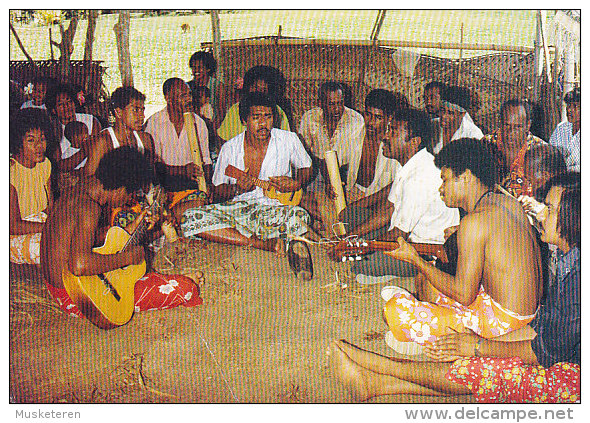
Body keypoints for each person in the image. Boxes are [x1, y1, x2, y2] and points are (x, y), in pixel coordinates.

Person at [328, 172, 579, 403]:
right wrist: (477, 345)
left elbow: (545, 352)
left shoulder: (578, 281)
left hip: (575, 379)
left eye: (551, 209)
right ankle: (375, 384)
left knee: (479, 368)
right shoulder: (568, 257)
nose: (542, 213)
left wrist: (479, 347)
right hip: (542, 342)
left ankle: (381, 365)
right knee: (476, 358)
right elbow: (539, 330)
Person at [381, 138, 542, 354]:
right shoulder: (508, 202)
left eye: (445, 180)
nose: (441, 188)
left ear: (465, 177)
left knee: (393, 311)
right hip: (530, 315)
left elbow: (464, 295)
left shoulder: (474, 222)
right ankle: (432, 332)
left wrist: (415, 259)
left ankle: (435, 341)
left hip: (505, 326)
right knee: (425, 283)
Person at [40, 147, 203, 324]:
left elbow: (86, 244)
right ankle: (176, 282)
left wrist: (138, 225)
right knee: (187, 288)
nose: (130, 200)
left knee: (133, 273)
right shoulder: (89, 208)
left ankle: (161, 280)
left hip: (59, 286)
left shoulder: (81, 189)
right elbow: (79, 265)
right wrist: (128, 258)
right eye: (130, 193)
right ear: (119, 188)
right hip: (77, 297)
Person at [180, 92, 313, 257]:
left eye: (268, 117)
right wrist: (237, 190)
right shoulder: (230, 148)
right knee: (190, 217)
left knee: (300, 216)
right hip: (238, 210)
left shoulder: (289, 139)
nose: (263, 123)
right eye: (256, 117)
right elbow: (218, 193)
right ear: (244, 120)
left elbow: (306, 167)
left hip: (273, 210)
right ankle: (259, 242)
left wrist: (297, 183)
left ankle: (235, 236)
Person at [342, 108, 460, 286]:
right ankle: (379, 257)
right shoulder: (408, 164)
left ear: (414, 142)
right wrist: (349, 238)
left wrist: (361, 247)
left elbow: (399, 234)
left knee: (361, 266)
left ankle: (407, 269)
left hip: (423, 249)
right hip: (400, 234)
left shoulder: (420, 177)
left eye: (393, 132)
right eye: (389, 130)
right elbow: (388, 209)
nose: (385, 137)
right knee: (348, 215)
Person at [337, 89, 405, 240]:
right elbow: (332, 159)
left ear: (389, 118)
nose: (370, 122)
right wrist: (331, 182)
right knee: (317, 201)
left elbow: (395, 188)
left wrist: (360, 205)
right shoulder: (353, 133)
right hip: (353, 194)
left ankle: (355, 233)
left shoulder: (396, 144)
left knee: (358, 219)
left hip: (380, 204)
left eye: (378, 117)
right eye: (368, 115)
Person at [144, 78, 212, 221]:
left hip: (191, 186)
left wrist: (207, 186)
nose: (188, 100)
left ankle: (170, 218)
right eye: (183, 96)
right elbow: (155, 167)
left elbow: (206, 161)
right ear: (168, 99)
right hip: (165, 185)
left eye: (189, 95)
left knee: (202, 201)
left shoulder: (199, 124)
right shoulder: (155, 123)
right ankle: (172, 217)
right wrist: (183, 171)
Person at [10, 108, 54, 265]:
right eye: (30, 140)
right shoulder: (10, 172)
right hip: (16, 236)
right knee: (53, 246)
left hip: (42, 224)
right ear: (17, 142)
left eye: (42, 139)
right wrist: (50, 228)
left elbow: (50, 208)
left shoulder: (45, 164)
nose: (39, 145)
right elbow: (12, 226)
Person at [84, 86, 156, 176]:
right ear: (118, 112)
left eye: (142, 110)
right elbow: (88, 179)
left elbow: (151, 173)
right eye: (135, 110)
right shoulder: (103, 142)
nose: (142, 116)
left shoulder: (145, 139)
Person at [484, 99, 547, 197]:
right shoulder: (485, 145)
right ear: (500, 122)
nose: (511, 132)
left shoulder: (541, 152)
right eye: (506, 125)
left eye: (517, 127)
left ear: (528, 125)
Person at [217, 65, 292, 142]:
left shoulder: (277, 111)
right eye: (256, 88)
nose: (259, 93)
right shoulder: (235, 109)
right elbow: (222, 138)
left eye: (263, 90)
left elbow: (286, 140)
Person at [45, 83, 102, 176]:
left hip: (93, 173)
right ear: (53, 110)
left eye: (69, 101)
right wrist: (85, 150)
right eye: (60, 104)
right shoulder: (53, 130)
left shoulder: (91, 121)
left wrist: (80, 172)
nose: (66, 107)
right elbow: (59, 165)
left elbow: (98, 153)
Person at [433, 85, 483, 154]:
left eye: (450, 113)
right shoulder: (432, 125)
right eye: (442, 110)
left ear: (462, 114)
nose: (444, 116)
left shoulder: (473, 134)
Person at [187, 50, 222, 127]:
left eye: (199, 67)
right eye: (193, 67)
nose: (196, 70)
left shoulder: (217, 86)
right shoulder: (187, 87)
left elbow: (221, 112)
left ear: (208, 68)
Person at [549, 87, 580, 172]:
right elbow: (550, 154)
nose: (569, 110)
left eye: (575, 106)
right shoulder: (561, 128)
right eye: (568, 106)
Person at [57, 120, 91, 190]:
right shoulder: (66, 154)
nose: (87, 136)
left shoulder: (90, 148)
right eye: (84, 133)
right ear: (74, 136)